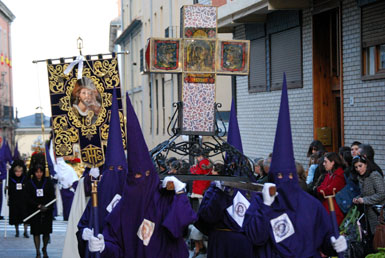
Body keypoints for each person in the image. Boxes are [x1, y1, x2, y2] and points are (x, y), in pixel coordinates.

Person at [242, 75, 347, 257]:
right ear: (272, 177)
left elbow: (325, 241)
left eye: (289, 176)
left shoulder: (312, 205)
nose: (285, 181)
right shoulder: (260, 203)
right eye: (280, 177)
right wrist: (267, 207)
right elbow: (254, 238)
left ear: (296, 176)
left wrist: (336, 244)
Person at [87, 93, 197, 258]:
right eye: (137, 176)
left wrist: (180, 193)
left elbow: (180, 225)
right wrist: (103, 246)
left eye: (147, 174)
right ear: (130, 179)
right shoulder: (122, 209)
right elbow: (115, 246)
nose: (142, 179)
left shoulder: (163, 200)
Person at [25, 153, 55, 258]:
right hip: (35, 211)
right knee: (36, 232)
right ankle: (37, 251)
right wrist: (37, 206)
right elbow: (27, 198)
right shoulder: (30, 183)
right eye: (37, 172)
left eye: (41, 172)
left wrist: (47, 207)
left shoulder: (48, 182)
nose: (39, 174)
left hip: (46, 211)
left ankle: (44, 249)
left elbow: (52, 196)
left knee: (46, 233)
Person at [352, 155, 385, 249]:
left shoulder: (374, 175)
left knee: (380, 240)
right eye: (356, 167)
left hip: (379, 214)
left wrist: (364, 200)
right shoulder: (361, 178)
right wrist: (358, 198)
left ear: (366, 164)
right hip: (369, 215)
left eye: (360, 165)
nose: (358, 169)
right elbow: (364, 194)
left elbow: (382, 193)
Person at [317, 152, 346, 225]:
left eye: (325, 162)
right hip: (328, 207)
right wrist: (323, 189)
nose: (323, 164)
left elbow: (328, 191)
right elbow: (320, 187)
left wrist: (323, 189)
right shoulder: (330, 174)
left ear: (333, 162)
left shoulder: (339, 175)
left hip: (335, 210)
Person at [8, 159, 29, 238]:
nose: (18, 173)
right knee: (15, 216)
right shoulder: (10, 178)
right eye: (16, 171)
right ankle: (17, 231)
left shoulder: (25, 178)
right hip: (14, 200)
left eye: (20, 171)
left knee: (25, 215)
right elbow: (9, 191)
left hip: (24, 200)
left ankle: (25, 231)